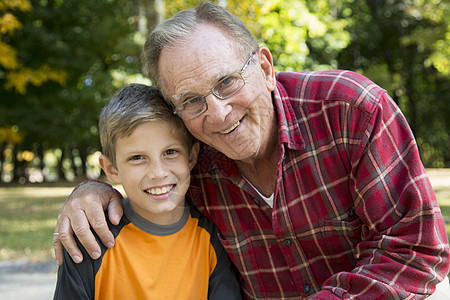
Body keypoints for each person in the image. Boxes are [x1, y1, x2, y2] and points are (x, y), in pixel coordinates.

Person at [53, 3, 450, 299]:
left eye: (227, 81)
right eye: (191, 100)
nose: (218, 113)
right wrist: (92, 191)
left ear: (264, 67)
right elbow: (149, 169)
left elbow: (416, 248)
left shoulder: (350, 110)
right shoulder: (195, 158)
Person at [53, 84, 242, 300]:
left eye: (170, 152)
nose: (158, 173)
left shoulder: (212, 238)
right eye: (137, 158)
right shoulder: (90, 240)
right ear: (111, 168)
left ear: (191, 156)